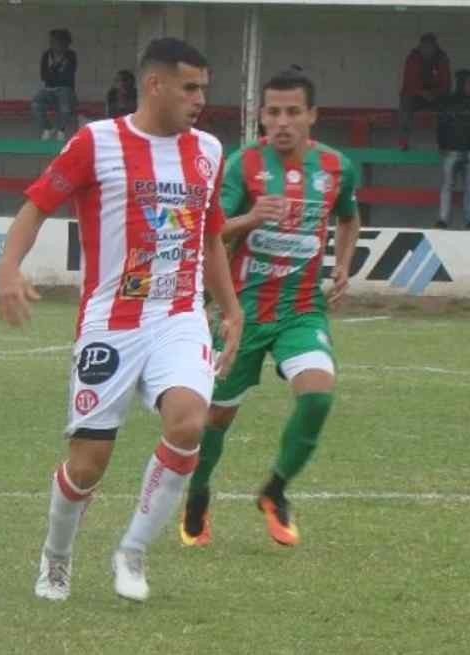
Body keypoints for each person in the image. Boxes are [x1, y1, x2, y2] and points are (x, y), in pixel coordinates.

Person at [0, 38, 244, 604]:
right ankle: (56, 557)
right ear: (154, 85)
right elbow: (37, 205)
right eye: (189, 87)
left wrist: (230, 308)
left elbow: (210, 237)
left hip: (179, 315)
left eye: (203, 88)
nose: (200, 99)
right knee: (88, 465)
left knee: (189, 422)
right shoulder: (97, 143)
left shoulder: (208, 150)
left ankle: (132, 550)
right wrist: (8, 268)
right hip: (111, 323)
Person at [178, 69, 360, 549]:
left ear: (311, 116)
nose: (283, 122)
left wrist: (343, 265)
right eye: (273, 112)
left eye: (293, 112)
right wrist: (251, 217)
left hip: (302, 310)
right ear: (261, 115)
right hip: (242, 312)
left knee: (317, 396)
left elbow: (349, 216)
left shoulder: (337, 167)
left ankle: (275, 490)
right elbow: (210, 230)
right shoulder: (243, 165)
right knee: (214, 420)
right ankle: (198, 493)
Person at [436, 70, 470, 230]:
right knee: (447, 186)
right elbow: (441, 125)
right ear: (461, 83)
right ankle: (443, 220)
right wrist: (441, 145)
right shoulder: (448, 103)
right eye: (469, 83)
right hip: (451, 151)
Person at [397, 33, 451, 150]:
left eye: (431, 46)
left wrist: (434, 93)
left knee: (448, 104)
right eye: (425, 46)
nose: (428, 49)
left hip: (436, 95)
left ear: (435, 46)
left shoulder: (442, 58)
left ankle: (444, 143)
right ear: (420, 46)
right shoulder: (413, 58)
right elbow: (408, 84)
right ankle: (403, 141)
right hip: (417, 95)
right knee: (405, 100)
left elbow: (446, 84)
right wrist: (422, 92)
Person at [31, 28, 77, 140]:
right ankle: (48, 128)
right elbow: (43, 76)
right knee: (36, 103)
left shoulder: (71, 55)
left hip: (66, 89)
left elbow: (67, 77)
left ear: (65, 43)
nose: (53, 44)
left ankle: (61, 131)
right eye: (52, 41)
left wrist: (52, 71)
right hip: (48, 89)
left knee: (65, 107)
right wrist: (57, 70)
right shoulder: (46, 55)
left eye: (57, 41)